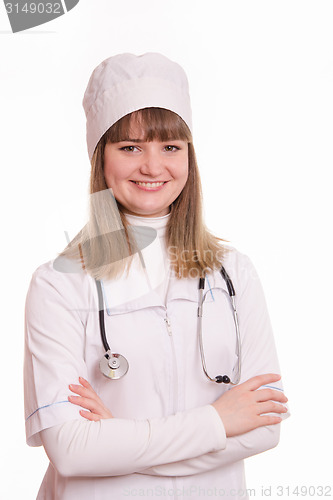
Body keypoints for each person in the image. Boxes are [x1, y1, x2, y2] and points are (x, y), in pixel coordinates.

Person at [24, 52, 290, 500]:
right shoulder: (59, 284)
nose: (152, 167)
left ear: (189, 156)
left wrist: (120, 441)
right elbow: (70, 450)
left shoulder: (234, 273)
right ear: (100, 157)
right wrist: (218, 422)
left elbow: (264, 427)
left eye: (170, 147)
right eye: (130, 147)